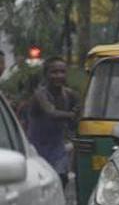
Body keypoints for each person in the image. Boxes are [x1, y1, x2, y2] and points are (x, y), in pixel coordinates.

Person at [26, 57, 79, 187]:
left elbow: (75, 121)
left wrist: (77, 116)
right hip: (37, 151)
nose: (58, 76)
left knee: (61, 181)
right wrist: (72, 115)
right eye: (54, 72)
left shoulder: (69, 95)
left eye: (62, 72)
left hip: (58, 151)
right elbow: (51, 113)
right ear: (46, 74)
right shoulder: (39, 95)